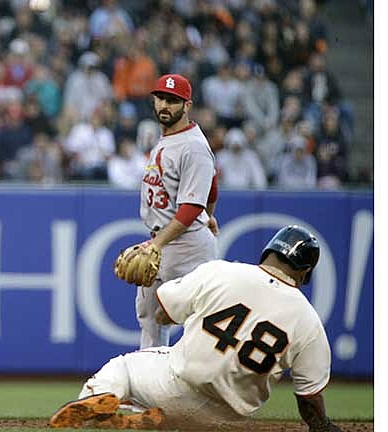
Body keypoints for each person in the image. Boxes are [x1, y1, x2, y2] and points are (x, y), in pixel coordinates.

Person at [50, 225, 341, 432]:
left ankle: (96, 401)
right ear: (304, 272)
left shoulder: (222, 271)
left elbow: (165, 313)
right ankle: (150, 421)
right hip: (230, 419)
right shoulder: (309, 321)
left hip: (173, 388)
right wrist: (323, 426)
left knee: (124, 367)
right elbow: (309, 397)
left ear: (268, 253)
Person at [130, 74, 219, 349]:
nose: (165, 105)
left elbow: (191, 207)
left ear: (187, 105)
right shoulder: (168, 138)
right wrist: (211, 214)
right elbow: (212, 187)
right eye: (160, 98)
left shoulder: (192, 145)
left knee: (199, 321)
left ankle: (207, 386)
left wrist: (156, 244)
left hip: (187, 244)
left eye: (172, 100)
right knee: (148, 316)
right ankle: (150, 387)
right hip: (163, 240)